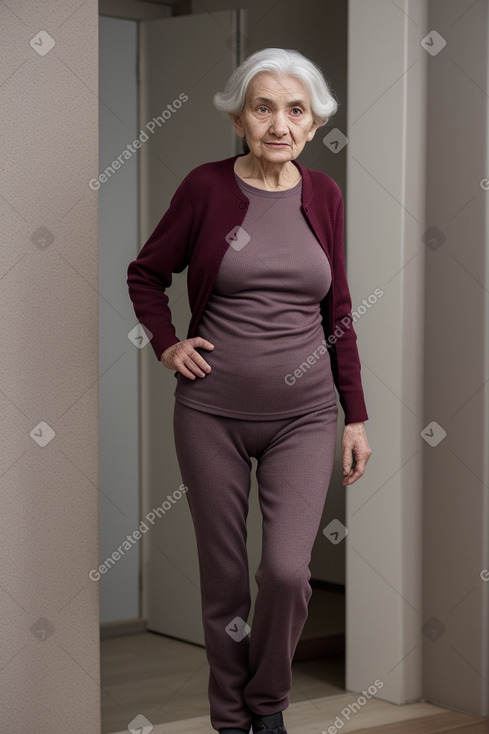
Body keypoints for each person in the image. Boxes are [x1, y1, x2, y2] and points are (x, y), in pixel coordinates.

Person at [127, 47, 372, 734]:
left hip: (304, 413)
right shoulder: (205, 189)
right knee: (225, 580)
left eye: (295, 110)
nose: (278, 123)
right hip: (211, 415)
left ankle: (266, 704)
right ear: (238, 116)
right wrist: (167, 342)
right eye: (263, 107)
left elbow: (339, 310)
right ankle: (232, 720)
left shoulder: (323, 194)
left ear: (314, 122)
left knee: (289, 574)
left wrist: (355, 417)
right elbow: (146, 273)